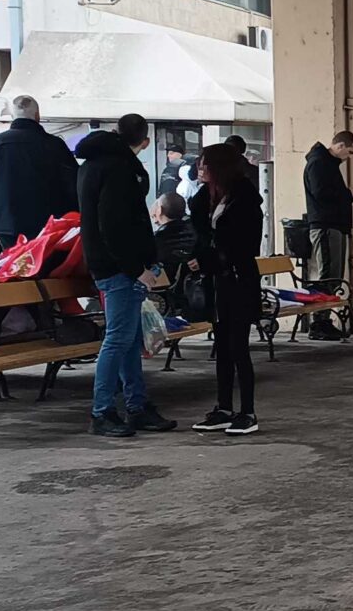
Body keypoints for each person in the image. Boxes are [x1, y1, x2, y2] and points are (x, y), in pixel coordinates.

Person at [75, 113, 175, 438]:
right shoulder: (119, 168)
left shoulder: (93, 162)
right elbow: (115, 225)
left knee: (129, 340)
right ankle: (102, 411)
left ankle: (136, 405)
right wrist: (138, 269)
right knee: (118, 339)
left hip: (110, 263)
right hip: (119, 267)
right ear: (144, 142)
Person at [190, 141, 263, 435]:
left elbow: (245, 246)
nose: (200, 169)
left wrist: (208, 258)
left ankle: (247, 411)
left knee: (238, 347)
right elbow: (199, 236)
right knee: (221, 347)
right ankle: (223, 407)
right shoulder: (202, 199)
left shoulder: (245, 200)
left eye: (204, 164)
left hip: (238, 279)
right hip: (216, 282)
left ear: (218, 167)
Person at [0, 95, 78, 252]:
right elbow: (72, 186)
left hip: (8, 226)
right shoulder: (55, 145)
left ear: (13, 116)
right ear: (37, 115)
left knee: (16, 270)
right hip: (49, 225)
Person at [301, 130, 353, 340]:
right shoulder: (319, 163)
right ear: (340, 146)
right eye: (350, 152)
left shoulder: (327, 164)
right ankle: (319, 323)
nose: (349, 158)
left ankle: (324, 320)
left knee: (333, 274)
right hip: (325, 225)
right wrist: (348, 194)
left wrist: (350, 197)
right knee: (328, 273)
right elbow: (322, 193)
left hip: (333, 224)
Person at [151, 190, 199, 282]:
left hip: (165, 287)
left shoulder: (158, 239)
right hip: (191, 285)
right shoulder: (194, 231)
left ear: (160, 210)